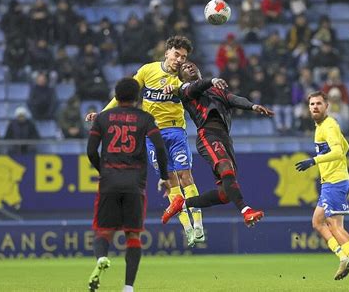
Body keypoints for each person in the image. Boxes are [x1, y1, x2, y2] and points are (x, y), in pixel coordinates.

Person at [85, 36, 203, 247]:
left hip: (176, 132)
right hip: (152, 135)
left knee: (186, 175)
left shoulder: (184, 76)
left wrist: (178, 88)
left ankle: (199, 225)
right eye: (177, 54)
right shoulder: (148, 70)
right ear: (167, 52)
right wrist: (102, 114)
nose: (179, 60)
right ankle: (188, 228)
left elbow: (194, 89)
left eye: (183, 57)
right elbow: (127, 92)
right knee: (171, 182)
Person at [161, 61, 274, 227]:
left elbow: (232, 98)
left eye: (192, 65)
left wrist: (252, 106)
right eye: (184, 68)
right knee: (225, 167)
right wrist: (212, 80)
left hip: (225, 138)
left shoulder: (216, 89)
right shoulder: (184, 89)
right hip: (208, 134)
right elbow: (196, 87)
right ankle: (246, 210)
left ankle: (182, 203)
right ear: (181, 76)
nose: (189, 67)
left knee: (225, 194)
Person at [86, 78, 171, 292]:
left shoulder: (103, 118)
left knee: (103, 231)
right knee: (132, 234)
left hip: (109, 181)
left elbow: (90, 151)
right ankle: (128, 287)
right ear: (137, 97)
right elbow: (160, 149)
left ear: (117, 95)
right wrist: (164, 176)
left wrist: (103, 171)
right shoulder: (145, 118)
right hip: (134, 183)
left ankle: (102, 258)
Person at [294, 91, 349, 285]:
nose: (315, 107)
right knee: (317, 221)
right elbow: (345, 147)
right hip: (331, 181)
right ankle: (343, 257)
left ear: (326, 106)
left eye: (319, 103)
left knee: (334, 226)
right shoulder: (322, 126)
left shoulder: (329, 125)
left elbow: (338, 151)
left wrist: (314, 161)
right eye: (312, 104)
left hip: (335, 182)